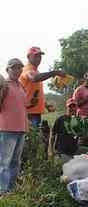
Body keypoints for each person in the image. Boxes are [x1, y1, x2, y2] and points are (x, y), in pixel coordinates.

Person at [19, 47, 65, 128]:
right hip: (29, 112)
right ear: (28, 57)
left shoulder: (36, 71)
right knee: (31, 138)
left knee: (35, 137)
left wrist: (46, 105)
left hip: (35, 112)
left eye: (40, 56)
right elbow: (34, 78)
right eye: (35, 56)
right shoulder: (27, 69)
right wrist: (54, 72)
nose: (38, 58)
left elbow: (35, 92)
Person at [0, 58, 27, 194]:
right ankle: (3, 191)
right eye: (14, 67)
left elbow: (21, 107)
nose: (17, 70)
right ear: (8, 70)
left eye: (19, 67)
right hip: (6, 129)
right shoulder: (3, 85)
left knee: (16, 162)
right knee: (4, 162)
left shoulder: (21, 86)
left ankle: (11, 189)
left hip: (21, 129)